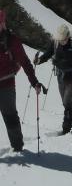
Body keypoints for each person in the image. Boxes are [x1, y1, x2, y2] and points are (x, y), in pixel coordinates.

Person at [0, 10, 42, 151]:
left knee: (10, 115)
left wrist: (34, 81)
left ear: (3, 23)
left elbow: (25, 62)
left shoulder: (11, 40)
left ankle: (17, 146)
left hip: (6, 85)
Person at [35, 24, 72, 134]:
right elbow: (48, 53)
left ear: (67, 36)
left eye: (63, 39)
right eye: (60, 39)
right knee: (65, 102)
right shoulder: (55, 42)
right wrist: (39, 60)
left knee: (66, 100)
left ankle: (66, 126)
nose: (61, 41)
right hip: (60, 75)